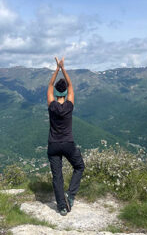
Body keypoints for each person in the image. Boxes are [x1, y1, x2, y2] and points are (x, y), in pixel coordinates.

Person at [47, 56, 85, 216]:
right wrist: (63, 68)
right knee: (79, 166)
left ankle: (62, 207)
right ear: (65, 93)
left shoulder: (52, 105)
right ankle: (71, 194)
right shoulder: (69, 105)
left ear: (56, 92)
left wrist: (56, 68)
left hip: (53, 145)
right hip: (68, 144)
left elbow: (49, 85)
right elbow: (70, 85)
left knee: (58, 177)